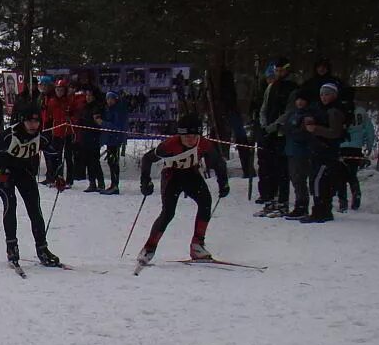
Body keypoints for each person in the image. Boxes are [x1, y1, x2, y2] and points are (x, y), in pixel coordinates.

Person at [135, 114, 230, 267]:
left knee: (205, 202)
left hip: (191, 174)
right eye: (186, 136)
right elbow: (147, 159)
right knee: (168, 213)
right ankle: (148, 249)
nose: (190, 139)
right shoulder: (170, 144)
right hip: (172, 176)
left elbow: (218, 162)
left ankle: (197, 245)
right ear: (180, 134)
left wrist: (223, 182)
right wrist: (145, 181)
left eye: (194, 136)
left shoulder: (204, 144)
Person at [0, 108, 63, 268]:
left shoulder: (40, 136)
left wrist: (57, 175)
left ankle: (43, 249)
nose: (33, 125)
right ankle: (12, 248)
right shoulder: (11, 134)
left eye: (36, 121)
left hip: (24, 172)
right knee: (10, 205)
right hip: (5, 173)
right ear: (23, 121)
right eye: (29, 121)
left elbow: (53, 154)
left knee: (34, 209)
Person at [251, 58, 296, 208]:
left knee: (282, 167)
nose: (278, 73)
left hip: (282, 132)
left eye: (281, 70)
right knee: (267, 164)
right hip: (268, 132)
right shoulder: (272, 87)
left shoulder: (293, 87)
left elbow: (290, 111)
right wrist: (264, 124)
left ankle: (282, 198)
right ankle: (268, 195)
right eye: (277, 70)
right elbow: (264, 107)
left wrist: (276, 125)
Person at [298, 83, 345, 224]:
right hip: (318, 150)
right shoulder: (320, 109)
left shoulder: (334, 111)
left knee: (319, 181)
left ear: (334, 95)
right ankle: (322, 209)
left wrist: (315, 129)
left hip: (326, 152)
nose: (324, 97)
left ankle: (320, 211)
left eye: (327, 94)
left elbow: (335, 133)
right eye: (322, 94)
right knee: (319, 181)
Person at [277, 92, 312, 219]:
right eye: (298, 100)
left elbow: (304, 134)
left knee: (300, 179)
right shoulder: (292, 114)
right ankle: (299, 204)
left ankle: (302, 206)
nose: (300, 102)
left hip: (302, 152)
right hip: (290, 150)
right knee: (295, 179)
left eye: (302, 100)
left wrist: (291, 131)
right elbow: (284, 128)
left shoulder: (308, 115)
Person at [336, 105, 375, 212]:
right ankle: (356, 195)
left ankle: (343, 202)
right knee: (352, 174)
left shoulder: (339, 109)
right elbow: (369, 129)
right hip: (356, 148)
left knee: (340, 177)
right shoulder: (361, 111)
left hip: (341, 146)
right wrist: (369, 145)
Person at [40, 77, 73, 184]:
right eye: (57, 89)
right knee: (56, 155)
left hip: (67, 131)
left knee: (67, 156)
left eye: (61, 90)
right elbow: (47, 116)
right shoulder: (52, 101)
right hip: (56, 132)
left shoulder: (68, 100)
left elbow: (74, 114)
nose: (59, 92)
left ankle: (69, 179)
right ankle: (57, 177)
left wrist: (70, 119)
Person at [101, 90, 129, 193]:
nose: (109, 101)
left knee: (114, 162)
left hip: (115, 139)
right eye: (107, 98)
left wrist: (103, 123)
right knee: (111, 162)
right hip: (110, 139)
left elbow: (116, 127)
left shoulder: (118, 110)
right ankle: (113, 184)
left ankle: (115, 185)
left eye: (111, 98)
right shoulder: (109, 109)